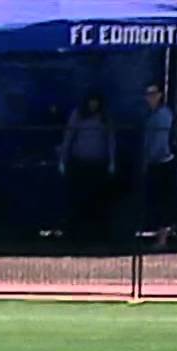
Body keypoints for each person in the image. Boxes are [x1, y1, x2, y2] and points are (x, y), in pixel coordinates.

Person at [59, 93, 117, 249]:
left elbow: (110, 140)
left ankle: (97, 236)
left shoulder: (105, 117)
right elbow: (68, 137)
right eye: (91, 100)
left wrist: (112, 161)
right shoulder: (77, 114)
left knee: (98, 201)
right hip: (80, 165)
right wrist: (63, 160)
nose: (93, 104)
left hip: (98, 165)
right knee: (78, 201)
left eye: (96, 101)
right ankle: (76, 237)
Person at [140, 83, 177, 251]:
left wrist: (151, 158)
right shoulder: (152, 115)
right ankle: (159, 237)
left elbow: (160, 142)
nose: (149, 97)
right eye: (147, 94)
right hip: (154, 163)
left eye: (153, 93)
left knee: (163, 202)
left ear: (160, 95)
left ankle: (162, 239)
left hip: (163, 163)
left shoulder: (163, 115)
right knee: (156, 202)